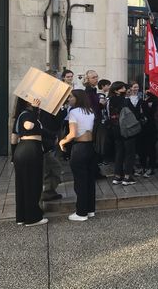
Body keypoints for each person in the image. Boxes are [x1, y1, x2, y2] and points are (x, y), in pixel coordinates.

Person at [59, 90, 96, 221]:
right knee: (90, 180)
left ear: (77, 98)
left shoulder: (73, 112)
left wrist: (62, 141)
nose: (69, 99)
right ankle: (90, 209)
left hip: (79, 148)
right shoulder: (91, 111)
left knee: (80, 181)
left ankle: (81, 213)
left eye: (71, 97)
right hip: (90, 147)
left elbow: (72, 134)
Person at [13, 97, 48, 227]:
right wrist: (33, 109)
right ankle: (32, 218)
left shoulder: (21, 114)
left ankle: (22, 216)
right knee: (33, 183)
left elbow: (13, 136)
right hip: (30, 150)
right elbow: (29, 126)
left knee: (23, 184)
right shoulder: (27, 114)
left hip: (22, 150)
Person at [107, 81, 137, 186]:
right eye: (122, 88)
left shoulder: (109, 100)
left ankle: (117, 176)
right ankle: (127, 176)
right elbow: (134, 112)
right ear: (116, 90)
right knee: (129, 153)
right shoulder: (125, 101)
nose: (125, 89)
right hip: (126, 129)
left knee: (119, 152)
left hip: (115, 129)